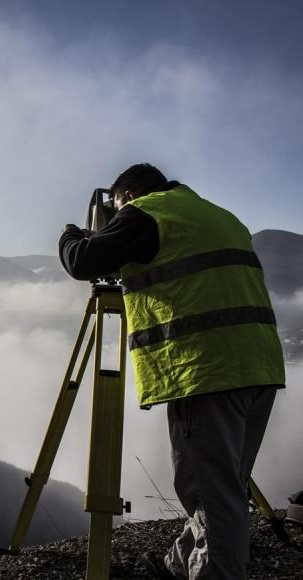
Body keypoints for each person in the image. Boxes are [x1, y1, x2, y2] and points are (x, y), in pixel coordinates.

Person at [58, 163, 285, 579]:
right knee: (226, 484)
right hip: (259, 365)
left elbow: (84, 262)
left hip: (205, 371)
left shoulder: (146, 214)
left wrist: (71, 234)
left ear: (127, 195)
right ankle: (181, 565)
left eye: (118, 207)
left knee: (211, 493)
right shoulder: (217, 215)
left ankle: (217, 571)